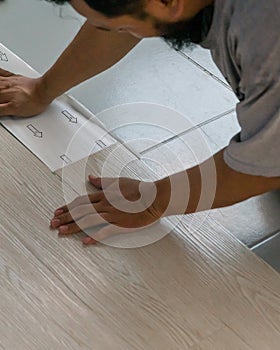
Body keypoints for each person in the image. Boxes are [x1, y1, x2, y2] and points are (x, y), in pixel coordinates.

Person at [0, 0, 279, 246]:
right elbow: (119, 14)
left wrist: (152, 201)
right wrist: (43, 89)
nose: (120, 32)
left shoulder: (266, 40)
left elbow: (264, 166)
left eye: (123, 28)